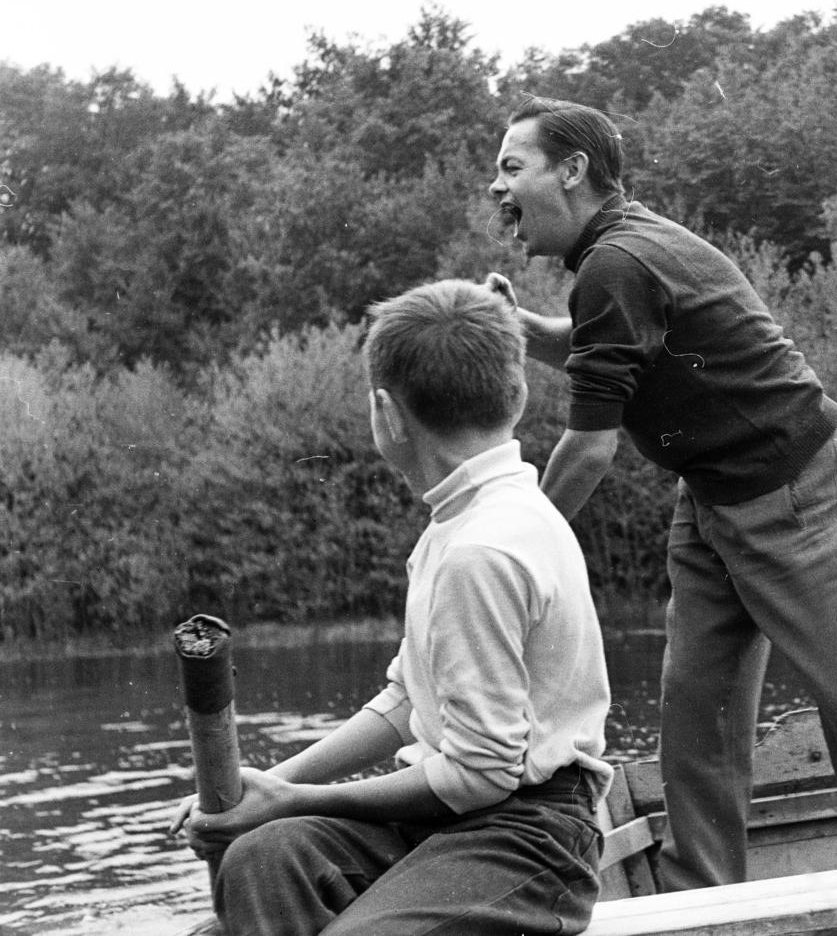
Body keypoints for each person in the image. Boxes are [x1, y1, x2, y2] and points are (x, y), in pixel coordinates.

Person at [485, 96, 837, 889]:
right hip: (713, 489)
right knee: (697, 706)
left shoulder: (617, 262)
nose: (496, 186)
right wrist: (523, 328)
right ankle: (699, 905)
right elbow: (605, 343)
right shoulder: (617, 255)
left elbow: (591, 446)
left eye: (512, 166)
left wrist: (507, 543)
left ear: (571, 170)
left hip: (795, 482)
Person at [169, 279, 613, 935]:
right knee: (260, 857)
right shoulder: (455, 525)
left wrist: (294, 799)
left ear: (387, 414)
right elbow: (408, 701)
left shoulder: (481, 548)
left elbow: (482, 774)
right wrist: (265, 789)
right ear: (518, 393)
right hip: (445, 824)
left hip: (532, 840)